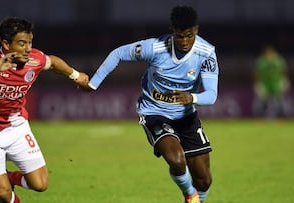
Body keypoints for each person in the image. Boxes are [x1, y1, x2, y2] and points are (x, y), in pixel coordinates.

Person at [78, 5, 218, 203]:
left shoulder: (206, 53)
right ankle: (189, 194)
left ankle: (195, 198)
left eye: (189, 35)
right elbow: (118, 53)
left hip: (186, 116)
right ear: (172, 31)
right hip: (154, 112)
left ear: (196, 30)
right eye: (179, 36)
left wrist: (192, 98)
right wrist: (93, 84)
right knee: (176, 159)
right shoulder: (155, 48)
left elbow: (211, 95)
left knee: (204, 180)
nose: (184, 41)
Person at [0, 17, 88, 203]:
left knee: (40, 184)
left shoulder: (35, 59)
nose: (28, 48)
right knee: (3, 194)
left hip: (16, 128)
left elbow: (53, 62)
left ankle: (9, 178)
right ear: (6, 44)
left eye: (30, 42)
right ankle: (5, 186)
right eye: (22, 43)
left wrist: (75, 75)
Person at [253, 44, 289, 118]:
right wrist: (257, 83)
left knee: (280, 101)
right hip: (265, 84)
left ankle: (282, 116)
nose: (269, 54)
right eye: (267, 52)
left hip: (276, 83)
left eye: (270, 52)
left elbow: (284, 71)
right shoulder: (261, 61)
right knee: (261, 101)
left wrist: (284, 81)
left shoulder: (278, 60)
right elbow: (256, 73)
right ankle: (259, 116)